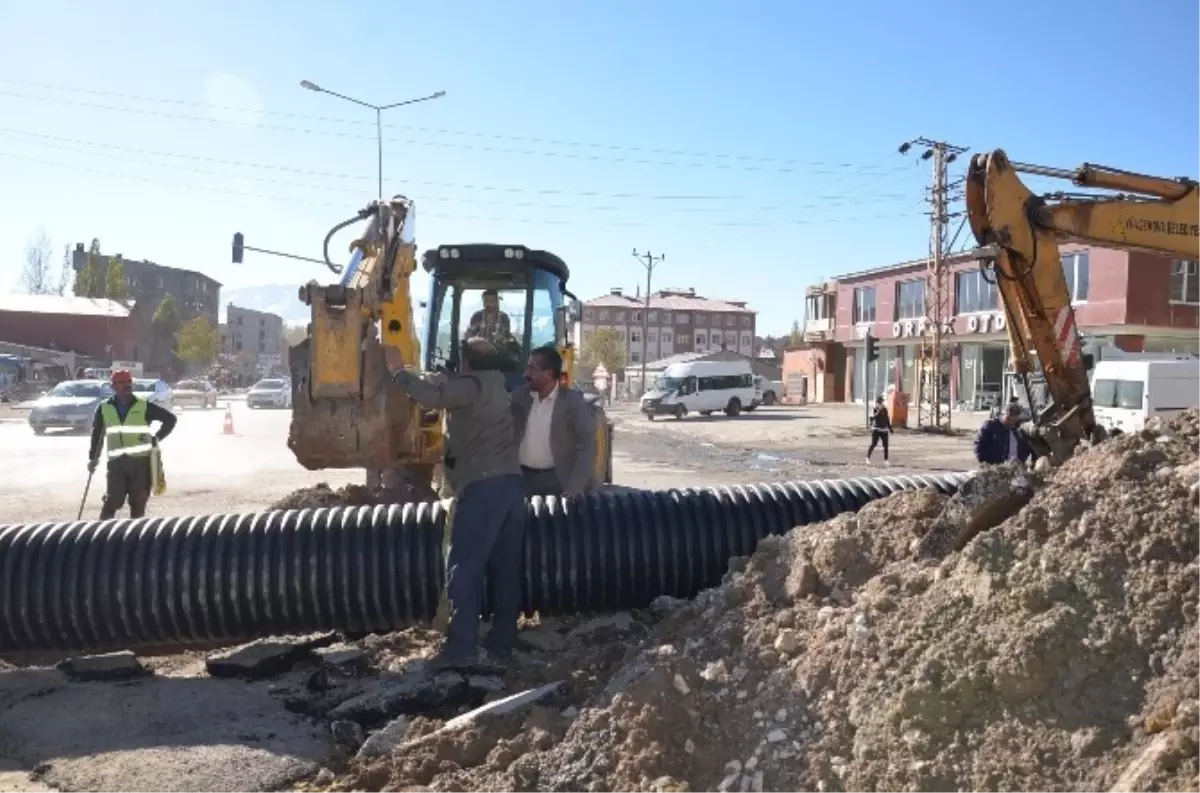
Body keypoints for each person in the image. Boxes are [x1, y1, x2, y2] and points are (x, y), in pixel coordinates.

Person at [384, 337, 525, 670]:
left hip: (483, 487)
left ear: (465, 362)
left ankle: (461, 648)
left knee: (463, 568)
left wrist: (397, 371)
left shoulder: (471, 386)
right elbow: (451, 389)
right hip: (511, 486)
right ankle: (501, 643)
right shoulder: (496, 383)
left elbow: (432, 397)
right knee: (506, 569)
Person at [88, 369, 178, 519]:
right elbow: (97, 434)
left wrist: (155, 438)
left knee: (138, 502)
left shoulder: (143, 406)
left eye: (129, 382)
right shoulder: (104, 408)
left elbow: (170, 420)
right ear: (113, 387)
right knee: (113, 500)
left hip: (140, 463)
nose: (127, 385)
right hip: (116, 463)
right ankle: (101, 535)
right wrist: (93, 458)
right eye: (122, 382)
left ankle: (136, 538)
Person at [511, 345, 598, 498]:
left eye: (532, 369)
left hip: (558, 483)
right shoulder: (519, 397)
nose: (526, 374)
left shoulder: (573, 403)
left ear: (549, 374)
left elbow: (587, 447)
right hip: (521, 481)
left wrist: (574, 488)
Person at [866, 395, 892, 464]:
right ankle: (868, 457)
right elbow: (872, 418)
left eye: (881, 402)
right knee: (873, 444)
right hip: (876, 429)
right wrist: (878, 411)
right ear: (877, 402)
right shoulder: (875, 409)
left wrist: (890, 428)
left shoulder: (885, 409)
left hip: (884, 429)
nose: (881, 404)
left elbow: (887, 419)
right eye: (879, 402)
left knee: (885, 445)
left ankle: (886, 460)